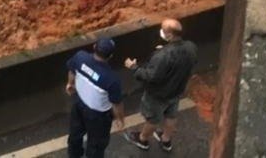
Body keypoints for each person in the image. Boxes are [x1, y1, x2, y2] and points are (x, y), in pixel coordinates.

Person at [124, 18, 198, 152]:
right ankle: (166, 140)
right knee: (171, 115)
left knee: (153, 119)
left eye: (163, 30)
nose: (161, 32)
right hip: (176, 91)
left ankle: (143, 139)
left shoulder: (163, 56)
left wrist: (134, 67)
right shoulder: (191, 47)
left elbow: (151, 76)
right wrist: (165, 49)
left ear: (169, 35)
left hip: (158, 94)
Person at [66, 37, 125, 157]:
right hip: (99, 116)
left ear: (94, 47)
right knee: (96, 145)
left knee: (75, 135)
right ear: (111, 56)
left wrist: (70, 84)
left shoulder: (80, 57)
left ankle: (74, 155)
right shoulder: (112, 80)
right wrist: (120, 119)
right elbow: (116, 104)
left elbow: (72, 71)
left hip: (79, 104)